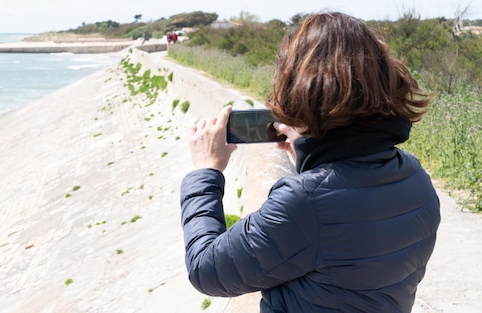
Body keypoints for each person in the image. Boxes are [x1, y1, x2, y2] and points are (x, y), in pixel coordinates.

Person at [180, 12, 440, 312]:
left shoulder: (304, 202)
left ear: (303, 96)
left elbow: (207, 271)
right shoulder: (415, 177)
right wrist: (309, 157)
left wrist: (206, 171)